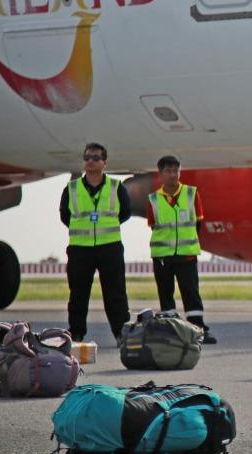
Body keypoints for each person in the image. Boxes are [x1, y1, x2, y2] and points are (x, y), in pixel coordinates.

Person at [59, 142, 131, 342]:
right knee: (78, 294)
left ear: (104, 163)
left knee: (115, 293)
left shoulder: (117, 187)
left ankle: (121, 334)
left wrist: (103, 228)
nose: (90, 161)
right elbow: (65, 215)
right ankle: (77, 334)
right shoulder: (71, 189)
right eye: (87, 157)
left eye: (95, 158)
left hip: (110, 247)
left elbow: (125, 212)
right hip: (80, 249)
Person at [146, 155, 215, 343]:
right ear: (160, 174)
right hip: (163, 256)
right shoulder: (153, 199)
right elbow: (154, 226)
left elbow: (198, 223)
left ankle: (198, 329)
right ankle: (171, 330)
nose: (173, 175)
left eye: (176, 170)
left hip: (186, 255)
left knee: (191, 292)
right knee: (166, 294)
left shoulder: (192, 194)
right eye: (168, 171)